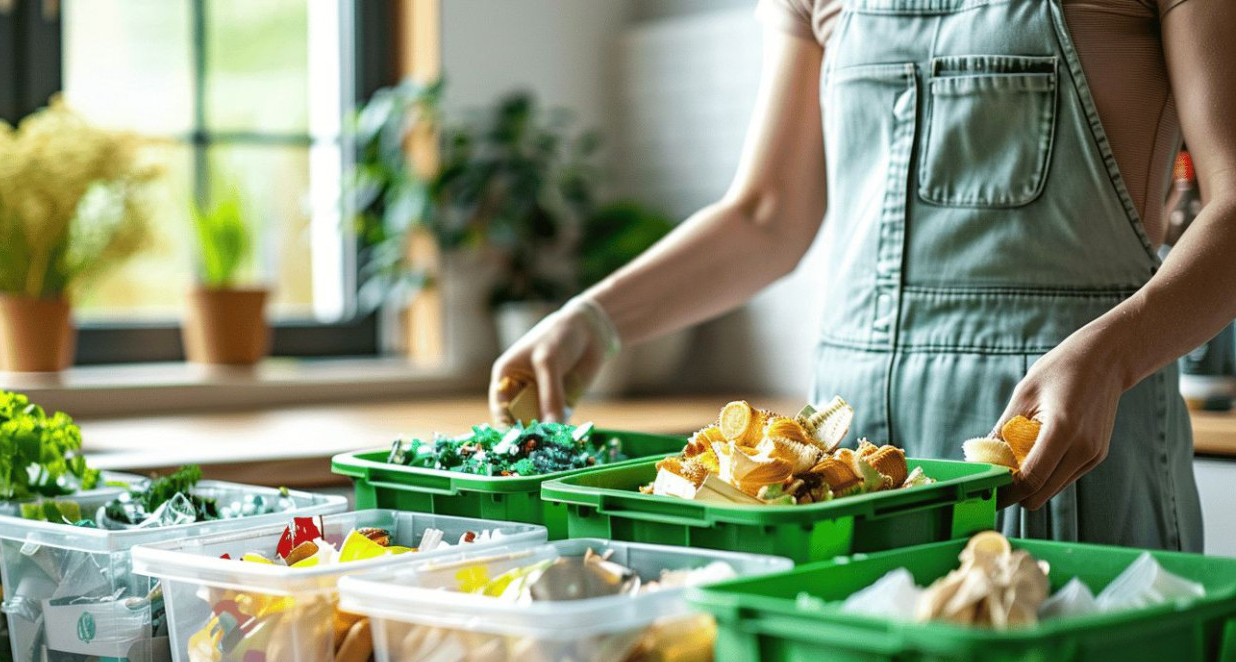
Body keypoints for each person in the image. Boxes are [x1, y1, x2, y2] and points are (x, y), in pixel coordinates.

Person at [489, 0, 1236, 551]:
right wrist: (593, 319)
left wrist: (1109, 358)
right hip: (841, 478)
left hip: (1064, 460)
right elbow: (766, 215)